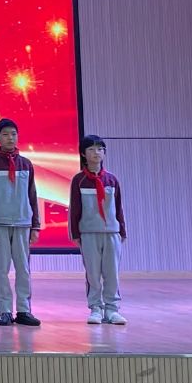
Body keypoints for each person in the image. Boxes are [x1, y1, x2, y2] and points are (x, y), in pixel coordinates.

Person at [0, 118, 41, 327]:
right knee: (1, 269)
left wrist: (35, 225)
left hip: (23, 223)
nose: (10, 138)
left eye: (14, 134)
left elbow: (32, 195)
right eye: (6, 134)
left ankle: (24, 309)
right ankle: (5, 310)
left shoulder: (26, 163)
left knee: (23, 268)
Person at [69, 134, 127, 325]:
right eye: (92, 149)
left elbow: (118, 207)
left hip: (111, 232)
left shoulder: (112, 180)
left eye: (100, 149)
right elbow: (75, 209)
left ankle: (112, 309)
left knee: (112, 272)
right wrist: (75, 234)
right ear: (83, 154)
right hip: (89, 233)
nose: (97, 153)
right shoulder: (79, 180)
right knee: (93, 273)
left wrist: (121, 230)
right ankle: (95, 308)